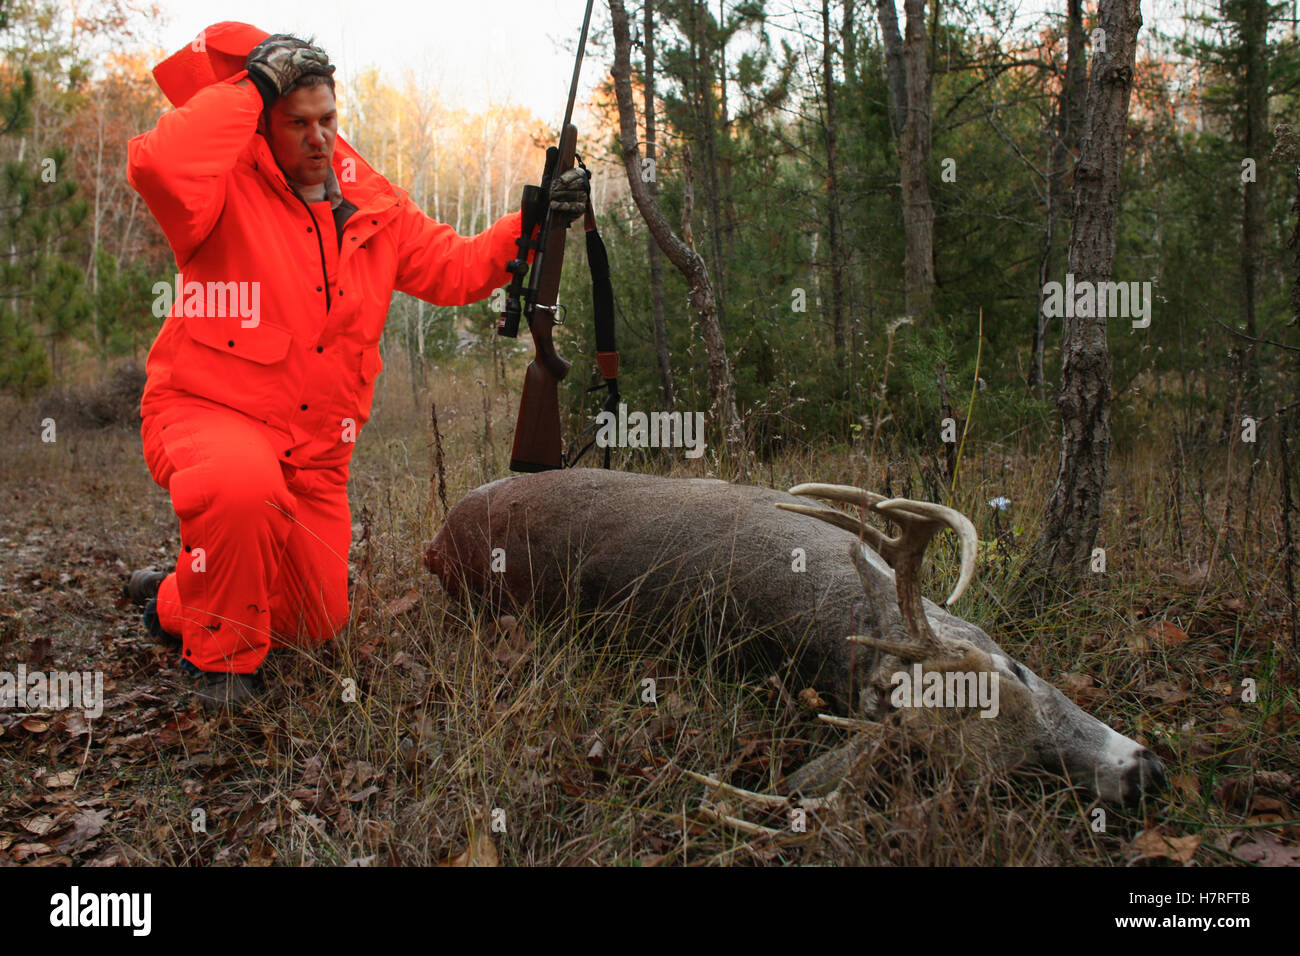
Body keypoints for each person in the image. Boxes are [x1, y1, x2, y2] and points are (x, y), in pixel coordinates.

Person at [121, 23, 589, 711]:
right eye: (296, 123)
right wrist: (254, 83)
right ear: (260, 124)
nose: (317, 138)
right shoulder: (218, 192)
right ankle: (219, 668)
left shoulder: (374, 205)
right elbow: (159, 164)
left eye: (328, 120)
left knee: (315, 624)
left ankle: (174, 594)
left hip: (314, 456)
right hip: (208, 412)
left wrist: (535, 222)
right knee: (244, 490)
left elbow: (457, 268)